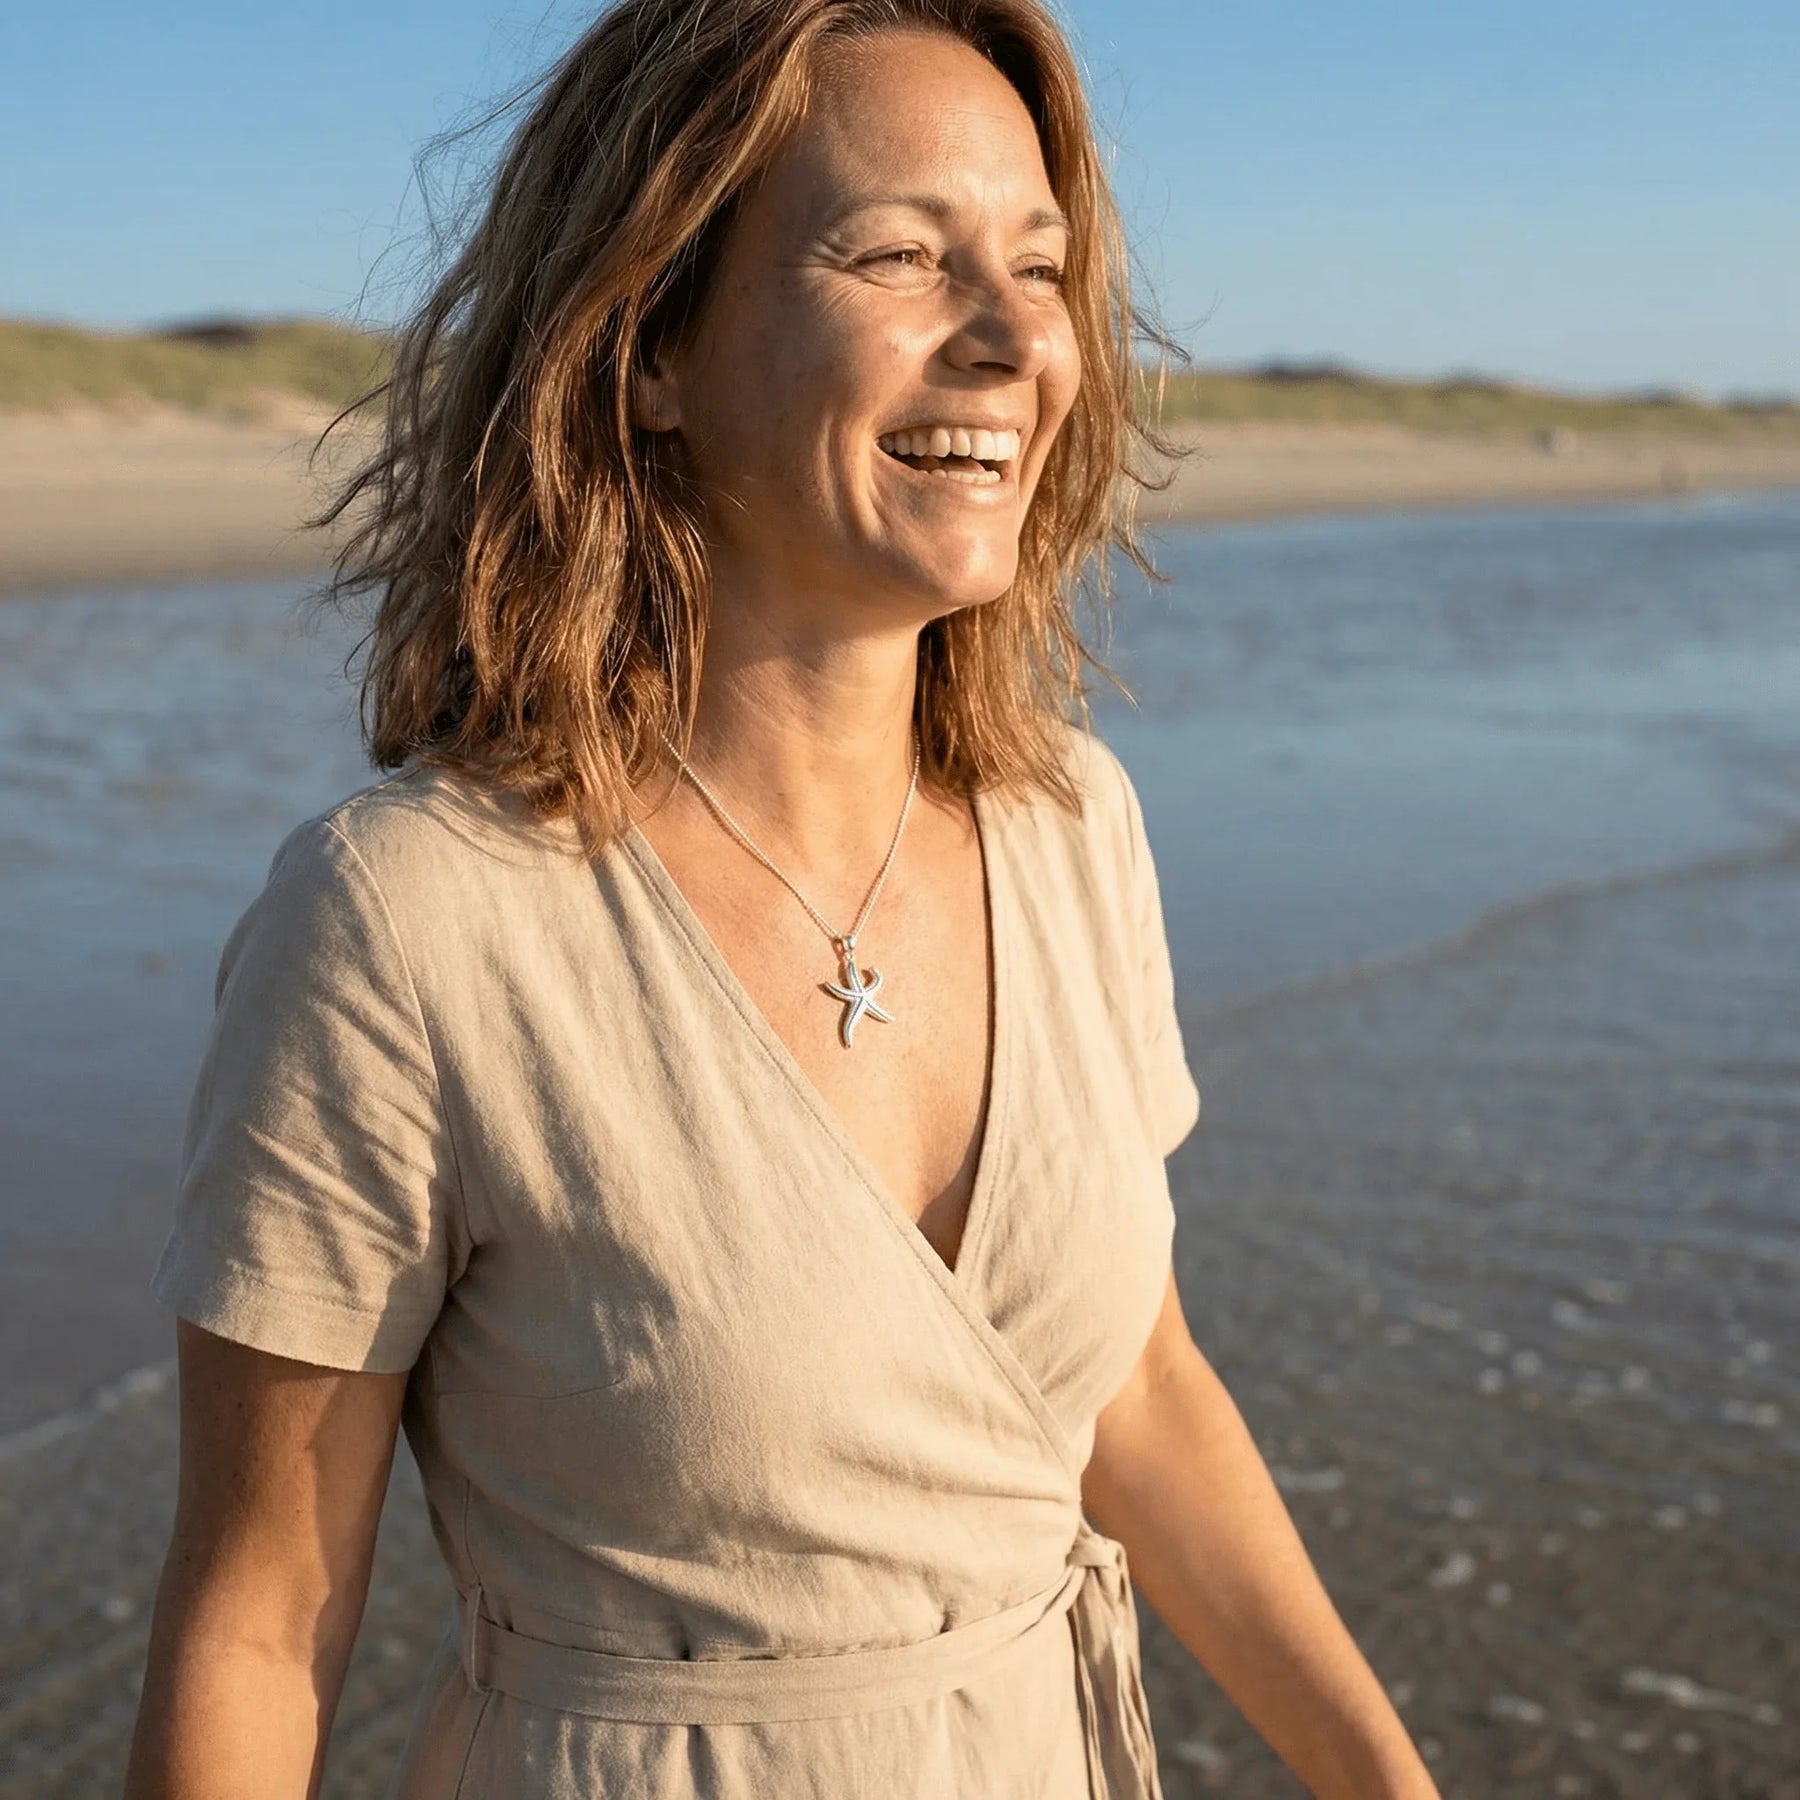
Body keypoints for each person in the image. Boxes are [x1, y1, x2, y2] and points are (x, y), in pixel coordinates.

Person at [125, 0, 1441, 1794]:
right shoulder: (413, 926)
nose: (1008, 342)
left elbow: (1130, 1392)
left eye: (1039, 269)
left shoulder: (1071, 827)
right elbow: (261, 1624)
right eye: (898, 253)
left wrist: (1388, 1779)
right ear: (650, 341)